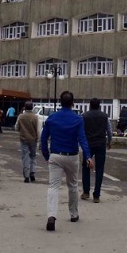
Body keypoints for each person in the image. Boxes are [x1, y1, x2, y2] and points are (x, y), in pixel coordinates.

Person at [41, 91, 92, 231]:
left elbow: (43, 139)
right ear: (72, 103)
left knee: (53, 186)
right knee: (73, 185)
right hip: (72, 156)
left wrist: (46, 156)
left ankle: (51, 216)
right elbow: (82, 139)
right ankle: (74, 214)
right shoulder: (77, 119)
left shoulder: (52, 118)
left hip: (55, 156)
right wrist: (88, 156)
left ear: (60, 102)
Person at [81, 98, 112, 203]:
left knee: (86, 167)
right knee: (100, 169)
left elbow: (81, 130)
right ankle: (96, 195)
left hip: (88, 145)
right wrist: (109, 142)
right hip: (100, 144)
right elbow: (109, 130)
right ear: (99, 106)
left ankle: (86, 192)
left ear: (90, 105)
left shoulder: (84, 116)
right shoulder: (104, 116)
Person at [15, 101, 39, 182]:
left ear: (25, 107)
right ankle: (32, 172)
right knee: (33, 156)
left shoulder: (21, 116)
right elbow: (38, 130)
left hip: (23, 139)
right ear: (32, 107)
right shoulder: (35, 117)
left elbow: (16, 127)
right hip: (33, 139)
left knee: (25, 156)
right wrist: (38, 139)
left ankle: (26, 175)